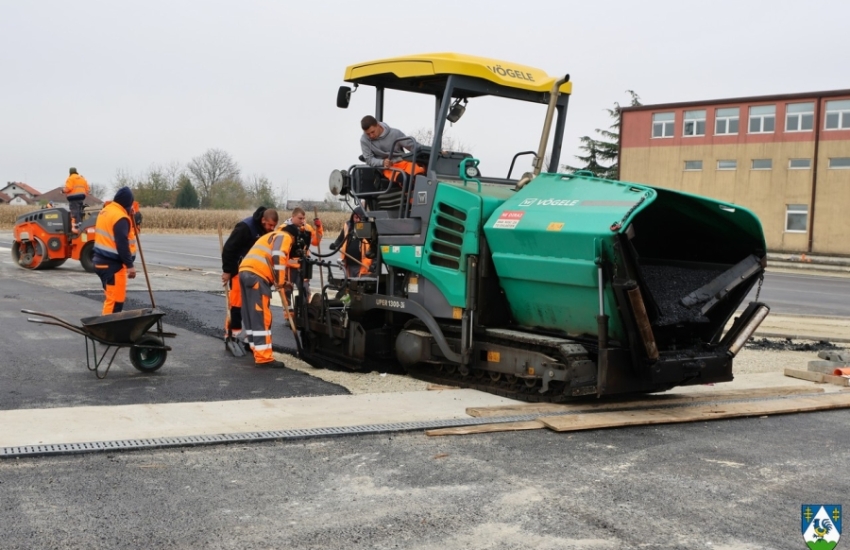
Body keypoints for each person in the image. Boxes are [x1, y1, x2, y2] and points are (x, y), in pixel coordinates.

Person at [237, 227, 296, 368]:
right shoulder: (285, 236)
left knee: (250, 313)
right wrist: (281, 283)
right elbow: (278, 255)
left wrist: (283, 283)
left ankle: (254, 347)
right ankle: (263, 357)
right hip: (257, 276)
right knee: (261, 316)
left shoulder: (270, 236)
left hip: (245, 272)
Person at [221, 207, 279, 345]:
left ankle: (250, 337)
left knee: (253, 306)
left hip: (257, 274)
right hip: (238, 271)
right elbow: (229, 248)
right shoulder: (245, 228)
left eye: (274, 226)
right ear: (263, 220)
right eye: (270, 225)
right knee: (236, 304)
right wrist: (227, 271)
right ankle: (232, 334)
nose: (272, 228)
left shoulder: (268, 232)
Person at [92, 186, 137, 315]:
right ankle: (107, 331)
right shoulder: (120, 218)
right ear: (128, 202)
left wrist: (128, 212)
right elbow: (122, 243)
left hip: (100, 262)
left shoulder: (106, 211)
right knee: (115, 302)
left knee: (111, 299)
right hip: (113, 266)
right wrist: (129, 265)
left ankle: (108, 329)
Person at [360, 115, 425, 183]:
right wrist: (382, 162)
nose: (371, 136)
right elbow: (369, 160)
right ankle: (408, 192)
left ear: (378, 125)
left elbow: (412, 146)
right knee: (405, 179)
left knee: (420, 175)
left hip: (403, 162)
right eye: (368, 134)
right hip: (387, 168)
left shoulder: (395, 133)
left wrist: (428, 152)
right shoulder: (364, 140)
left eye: (373, 132)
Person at [278, 207, 323, 302]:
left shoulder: (307, 228)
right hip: (289, 267)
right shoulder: (283, 229)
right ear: (293, 216)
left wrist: (319, 228)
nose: (302, 220)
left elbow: (316, 241)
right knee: (287, 291)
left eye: (303, 218)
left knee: (305, 290)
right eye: (300, 218)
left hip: (303, 265)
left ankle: (305, 313)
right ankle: (289, 315)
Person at [330, 205, 372, 278]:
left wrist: (374, 264)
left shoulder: (368, 229)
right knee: (349, 287)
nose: (357, 220)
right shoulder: (348, 226)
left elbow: (374, 248)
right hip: (349, 265)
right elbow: (340, 239)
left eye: (359, 218)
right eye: (355, 217)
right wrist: (335, 245)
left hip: (362, 266)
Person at [63, 167, 90, 233]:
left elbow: (68, 188)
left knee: (74, 212)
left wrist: (63, 191)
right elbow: (88, 189)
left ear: (70, 172)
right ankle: (80, 225)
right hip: (81, 197)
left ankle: (76, 228)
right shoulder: (82, 178)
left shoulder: (70, 178)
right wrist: (84, 195)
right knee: (79, 212)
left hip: (73, 198)